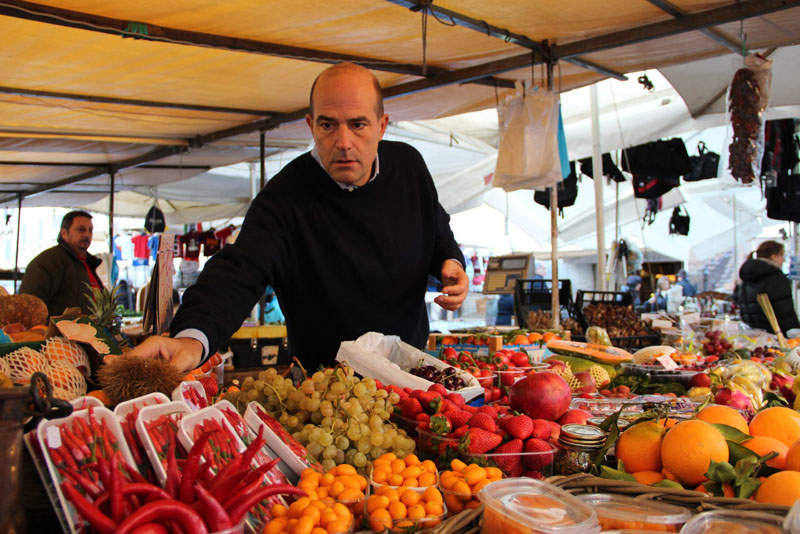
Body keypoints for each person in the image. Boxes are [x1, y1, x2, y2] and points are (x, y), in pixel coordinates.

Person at [128, 63, 469, 372]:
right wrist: (192, 338)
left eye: (358, 124)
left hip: (411, 375)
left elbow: (437, 228)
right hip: (328, 387)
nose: (344, 142)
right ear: (310, 125)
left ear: (382, 126)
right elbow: (239, 270)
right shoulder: (284, 197)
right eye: (328, 125)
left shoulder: (409, 167)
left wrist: (451, 262)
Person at [19, 210, 103, 316]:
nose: (87, 235)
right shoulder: (47, 262)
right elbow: (29, 305)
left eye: (90, 230)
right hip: (60, 331)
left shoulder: (89, 262)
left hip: (89, 330)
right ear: (64, 233)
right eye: (81, 230)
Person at [738, 240, 799, 335]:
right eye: (782, 256)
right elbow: (785, 311)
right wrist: (795, 330)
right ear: (774, 256)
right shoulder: (776, 277)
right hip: (777, 334)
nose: (784, 260)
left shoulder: (747, 276)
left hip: (753, 333)